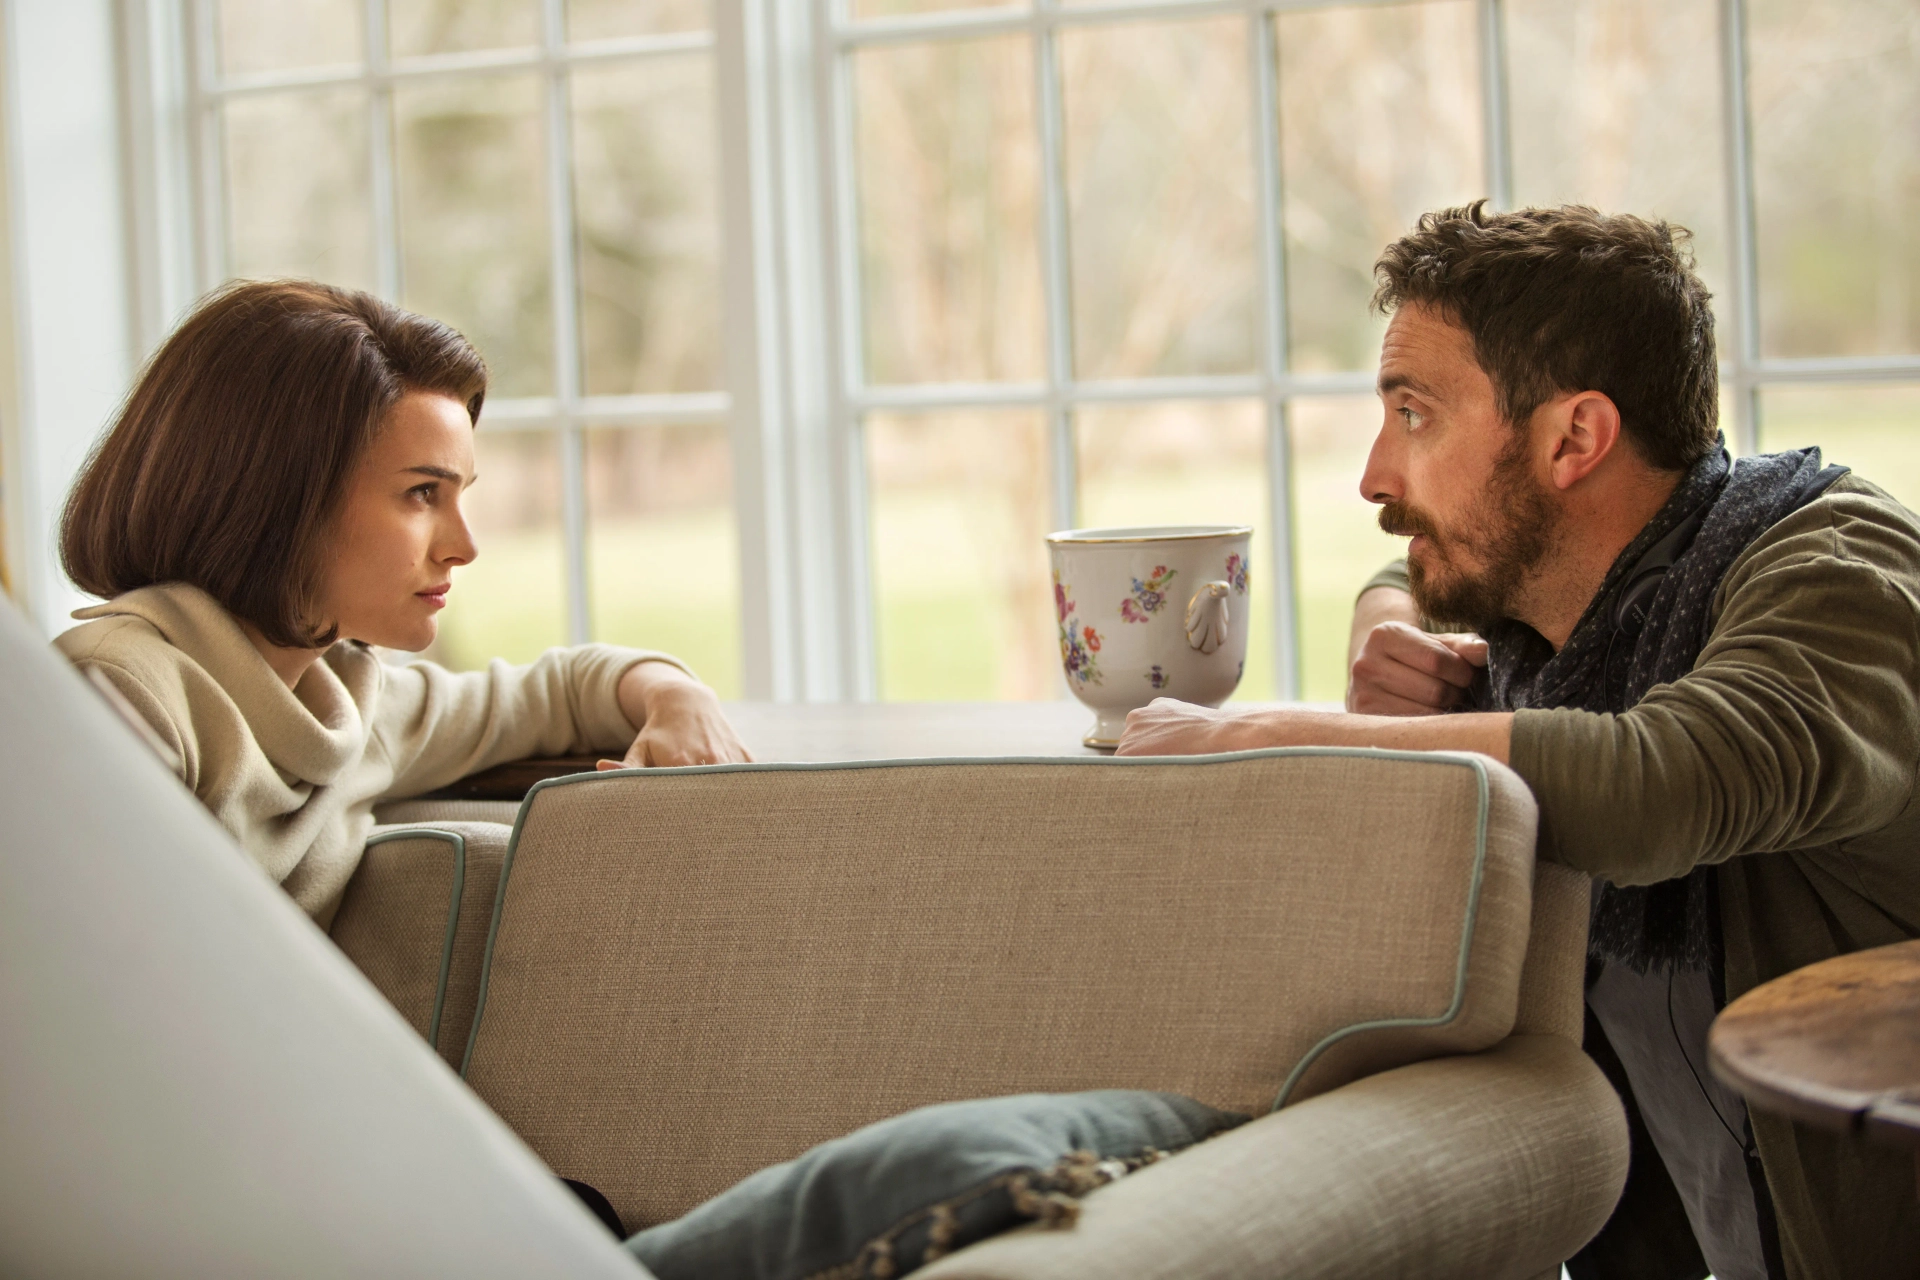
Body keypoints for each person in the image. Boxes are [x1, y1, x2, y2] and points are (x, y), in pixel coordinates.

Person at [1118, 203, 1919, 1280]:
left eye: (1416, 414)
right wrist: (1384, 621)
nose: (1373, 474)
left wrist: (1262, 738)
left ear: (1574, 438)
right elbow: (1416, 571)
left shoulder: (1839, 573)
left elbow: (1663, 781)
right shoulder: (1566, 614)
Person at [56, 279, 750, 926]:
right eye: (423, 494)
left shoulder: (352, 704)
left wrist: (676, 696)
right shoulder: (119, 695)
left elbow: (557, 693)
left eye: (461, 495)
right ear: (279, 498)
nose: (464, 546)